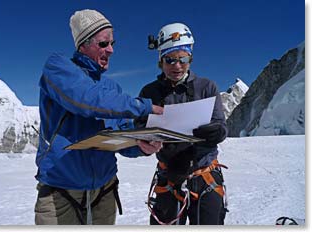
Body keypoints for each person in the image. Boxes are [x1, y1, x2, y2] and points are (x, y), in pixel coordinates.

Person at [34, 9, 163, 225]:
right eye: (103, 44)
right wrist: (144, 106)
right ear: (83, 44)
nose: (111, 50)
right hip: (61, 193)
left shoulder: (111, 88)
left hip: (104, 191)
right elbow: (86, 99)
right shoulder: (57, 68)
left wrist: (140, 146)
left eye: (113, 43)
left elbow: (121, 136)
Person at [135, 22, 228, 225]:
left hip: (204, 174)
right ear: (161, 60)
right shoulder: (149, 93)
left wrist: (215, 133)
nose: (177, 66)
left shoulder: (207, 87)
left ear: (190, 58)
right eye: (170, 60)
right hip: (169, 174)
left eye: (183, 59)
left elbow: (221, 126)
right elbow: (139, 129)